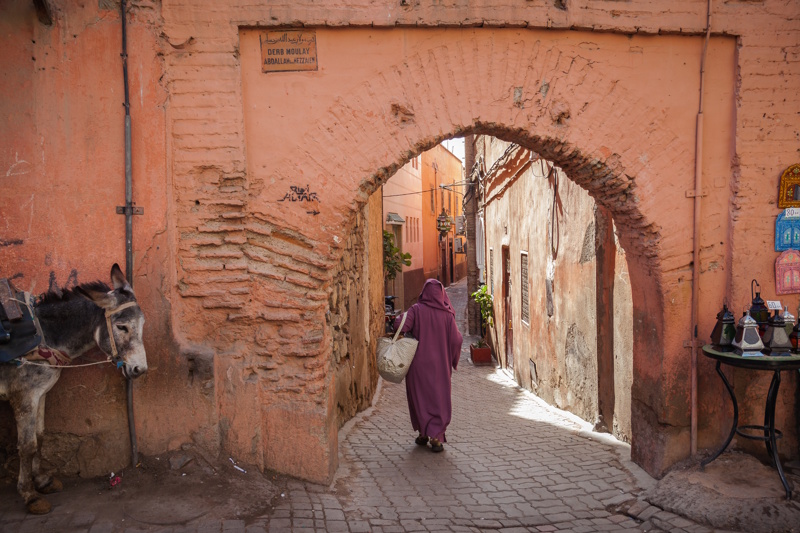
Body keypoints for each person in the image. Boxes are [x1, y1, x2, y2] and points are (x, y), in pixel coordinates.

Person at [394, 279, 463, 452]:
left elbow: (400, 326)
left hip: (418, 366)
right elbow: (457, 339)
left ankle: (423, 434)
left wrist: (400, 317)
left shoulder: (416, 310)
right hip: (440, 367)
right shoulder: (448, 316)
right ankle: (437, 437)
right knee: (439, 398)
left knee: (419, 397)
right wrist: (453, 359)